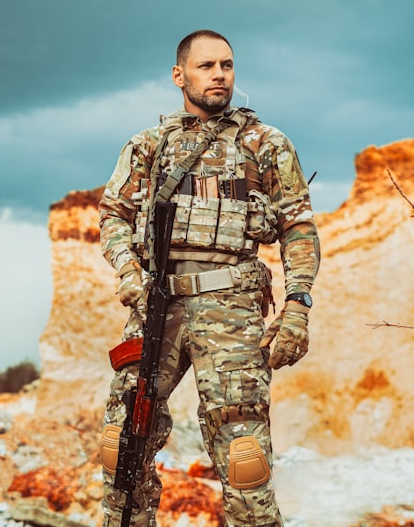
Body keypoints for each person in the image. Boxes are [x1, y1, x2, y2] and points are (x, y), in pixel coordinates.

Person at [97, 29, 320, 526]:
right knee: (121, 446)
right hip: (157, 306)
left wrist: (297, 308)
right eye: (206, 66)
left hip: (232, 311)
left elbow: (299, 229)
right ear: (180, 75)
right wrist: (129, 273)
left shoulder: (266, 143)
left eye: (226, 65)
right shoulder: (149, 146)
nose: (219, 75)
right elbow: (112, 215)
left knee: (243, 456)